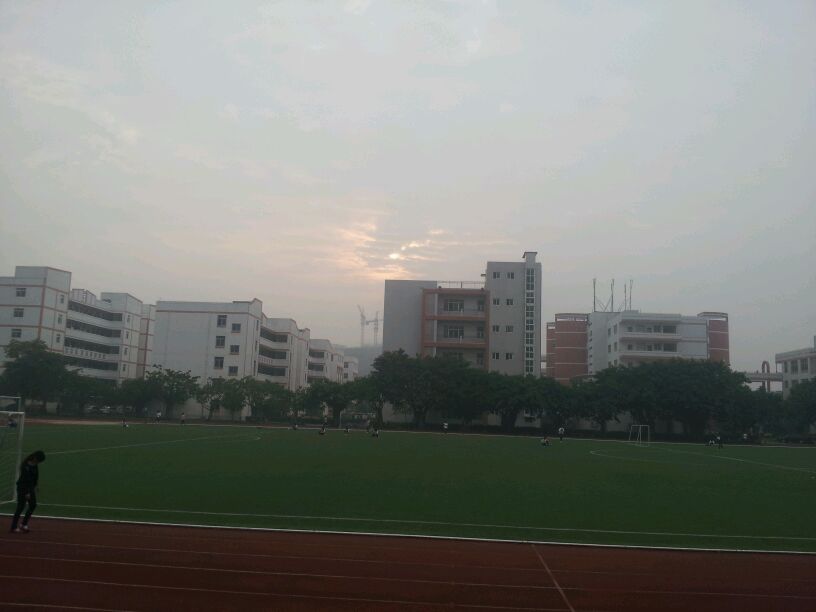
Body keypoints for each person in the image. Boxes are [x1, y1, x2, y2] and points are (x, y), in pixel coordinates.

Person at [10, 450, 46, 533]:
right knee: (20, 507)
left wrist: (36, 485)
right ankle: (13, 527)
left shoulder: (35, 464)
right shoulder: (25, 466)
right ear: (35, 458)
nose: (38, 462)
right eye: (39, 460)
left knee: (33, 505)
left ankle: (23, 524)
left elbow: (35, 476)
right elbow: (27, 480)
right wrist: (27, 493)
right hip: (23, 488)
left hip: (30, 488)